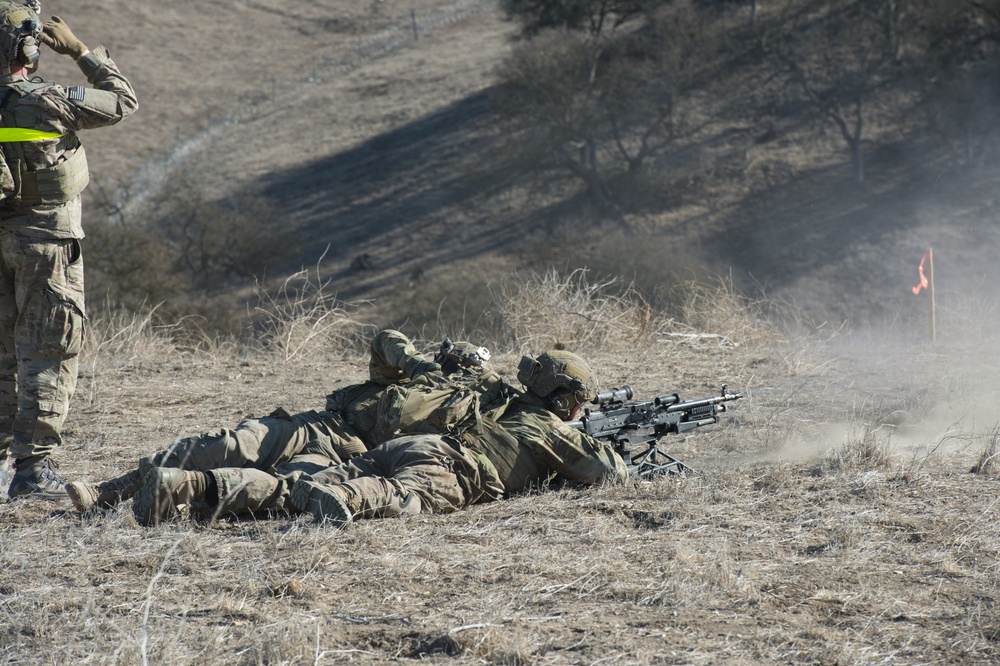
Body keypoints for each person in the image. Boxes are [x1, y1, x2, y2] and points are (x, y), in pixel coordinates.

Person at [132, 349, 628, 527]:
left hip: (404, 447)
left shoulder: (501, 401)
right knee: (399, 499)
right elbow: (609, 472)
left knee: (291, 491)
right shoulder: (548, 428)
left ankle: (188, 485)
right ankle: (343, 496)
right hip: (444, 465)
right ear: (565, 401)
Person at [64, 330, 498, 513]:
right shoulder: (411, 375)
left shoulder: (474, 408)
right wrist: (421, 366)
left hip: (353, 456)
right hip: (317, 425)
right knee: (228, 443)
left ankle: (174, 493)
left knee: (280, 493)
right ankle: (110, 491)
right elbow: (386, 339)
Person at [0, 2, 138, 501]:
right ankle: (32, 471)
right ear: (29, 48)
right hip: (45, 245)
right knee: (49, 348)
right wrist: (80, 50)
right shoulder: (51, 101)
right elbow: (122, 101)